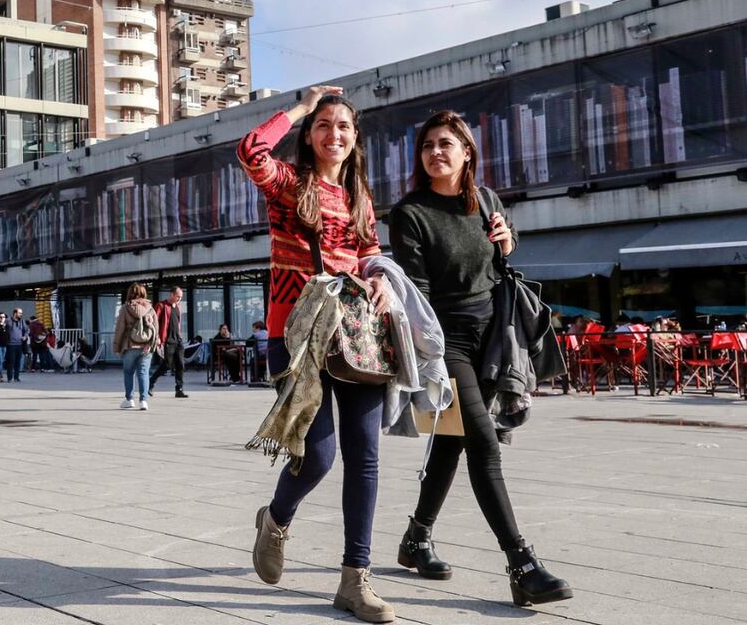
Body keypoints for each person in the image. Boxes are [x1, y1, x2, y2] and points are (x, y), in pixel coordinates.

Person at [388, 109, 572, 607]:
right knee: (484, 443)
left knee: (452, 442)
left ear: (467, 152)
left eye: (446, 143)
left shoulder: (486, 199)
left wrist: (509, 242)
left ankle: (416, 538)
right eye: (428, 145)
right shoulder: (410, 213)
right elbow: (416, 294)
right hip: (445, 343)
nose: (436, 152)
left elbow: (500, 254)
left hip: (493, 339)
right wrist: (428, 360)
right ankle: (522, 563)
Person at [238, 85, 394, 622]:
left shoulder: (359, 197)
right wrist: (301, 107)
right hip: (295, 336)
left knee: (365, 456)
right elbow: (251, 151)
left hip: (353, 337)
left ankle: (355, 579)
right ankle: (276, 518)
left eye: (343, 126)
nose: (334, 134)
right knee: (319, 456)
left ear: (355, 138)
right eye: (323, 125)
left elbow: (369, 251)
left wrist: (380, 278)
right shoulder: (288, 185)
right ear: (309, 136)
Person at [112, 282, 158, 411]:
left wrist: (116, 347)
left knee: (128, 372)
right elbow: (156, 329)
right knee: (143, 373)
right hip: (146, 347)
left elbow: (120, 329)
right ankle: (143, 401)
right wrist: (152, 345)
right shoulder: (150, 308)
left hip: (130, 345)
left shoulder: (126, 308)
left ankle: (129, 399)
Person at [149, 287, 188, 398]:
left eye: (181, 297)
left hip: (178, 340)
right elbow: (154, 323)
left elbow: (178, 323)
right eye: (178, 296)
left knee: (180, 364)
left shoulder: (178, 307)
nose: (179, 299)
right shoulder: (161, 305)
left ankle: (179, 389)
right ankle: (151, 382)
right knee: (167, 365)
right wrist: (157, 337)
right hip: (167, 340)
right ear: (171, 294)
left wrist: (180, 336)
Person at [6, 308, 28, 383]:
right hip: (10, 344)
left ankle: (16, 377)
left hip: (20, 344)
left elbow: (27, 330)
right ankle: (9, 378)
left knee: (18, 362)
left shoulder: (22, 321)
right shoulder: (8, 321)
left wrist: (25, 336)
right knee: (11, 361)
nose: (21, 314)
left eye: (21, 313)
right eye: (19, 313)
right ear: (15, 313)